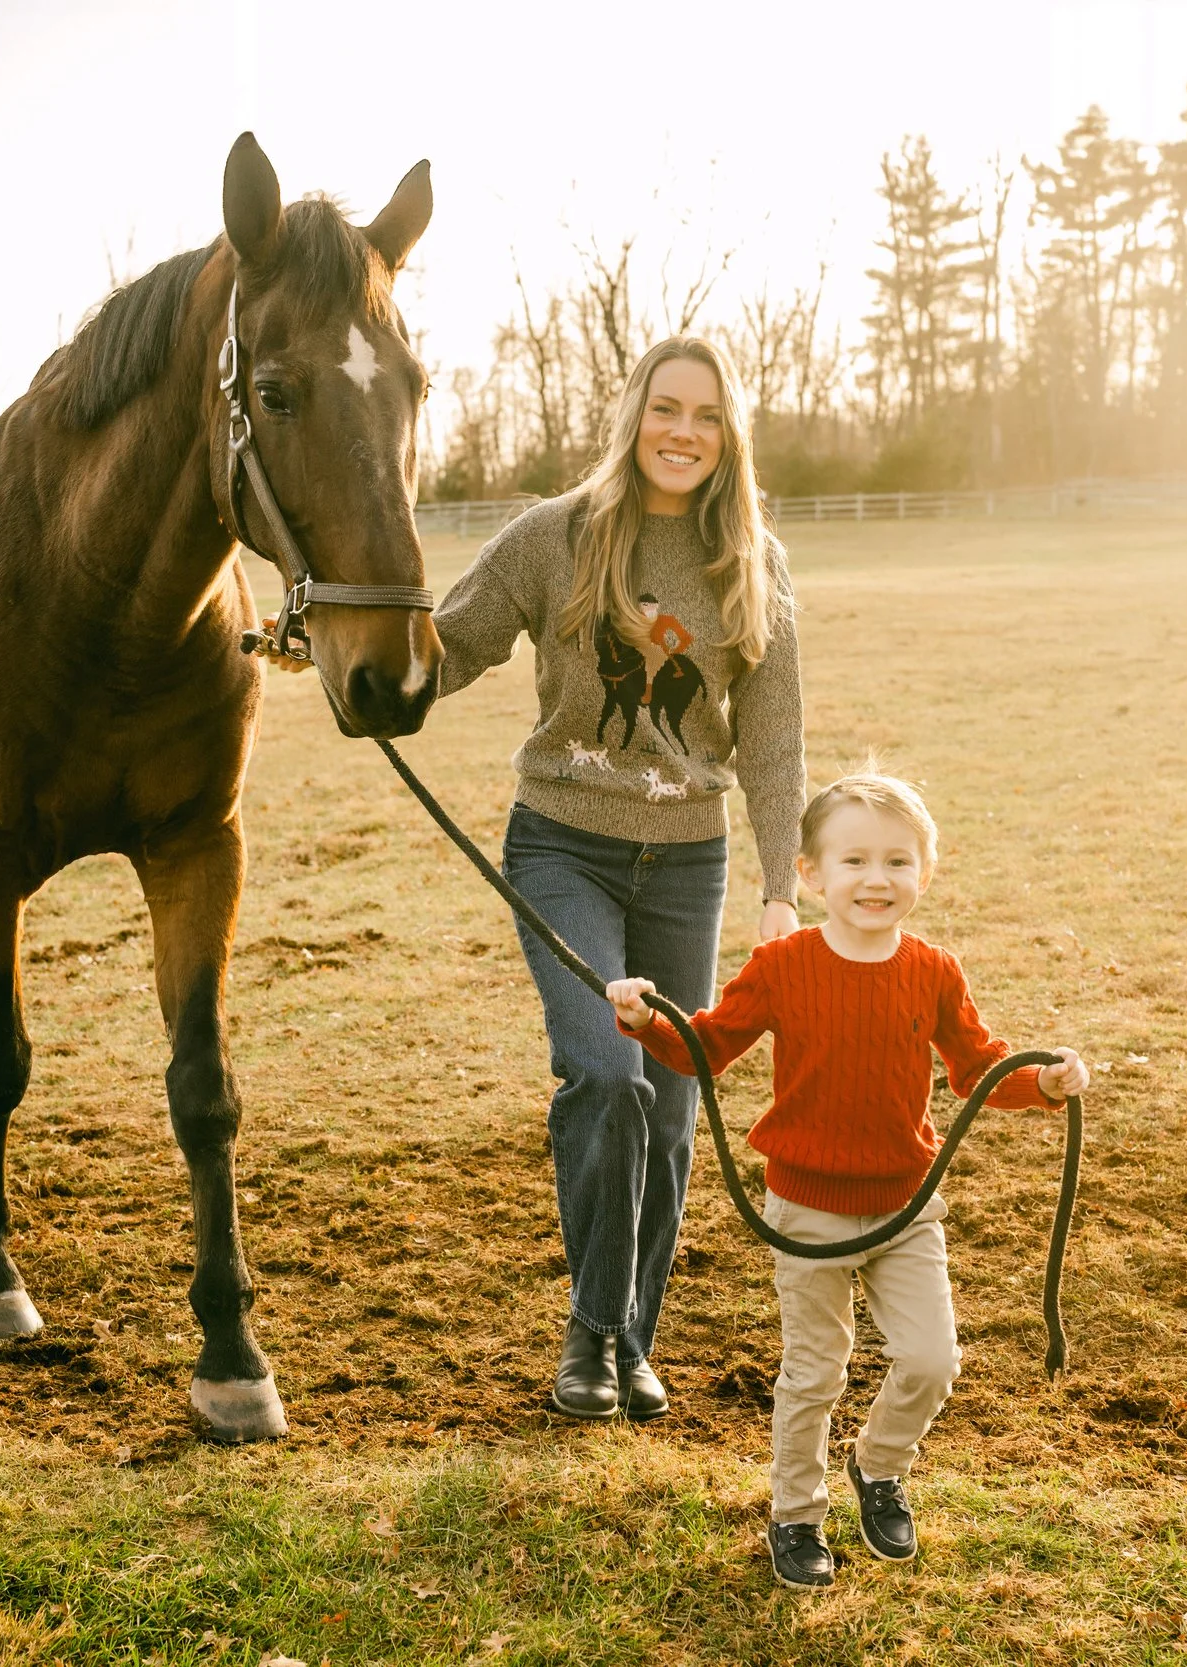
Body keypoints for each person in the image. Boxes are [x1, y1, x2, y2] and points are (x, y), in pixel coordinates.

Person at [429, 338, 806, 1423]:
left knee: (674, 1110)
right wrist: (347, 650)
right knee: (607, 1073)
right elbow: (450, 646)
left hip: (690, 861)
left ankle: (625, 1340)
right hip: (563, 848)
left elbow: (771, 737)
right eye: (664, 409)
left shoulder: (751, 563)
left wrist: (780, 887)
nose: (682, 432)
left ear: (727, 433)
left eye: (704, 415)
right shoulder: (555, 536)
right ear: (633, 414)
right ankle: (595, 1335)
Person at [606, 772, 1088, 1590]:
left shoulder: (934, 970)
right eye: (855, 858)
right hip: (806, 1208)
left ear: (924, 874)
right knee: (815, 1369)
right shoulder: (782, 964)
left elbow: (976, 1068)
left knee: (933, 1360)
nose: (876, 878)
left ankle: (879, 1465)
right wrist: (647, 1019)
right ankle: (796, 1513)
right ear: (810, 873)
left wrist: (1041, 1083)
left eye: (898, 861)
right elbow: (707, 1048)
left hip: (906, 1204)